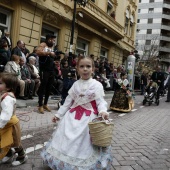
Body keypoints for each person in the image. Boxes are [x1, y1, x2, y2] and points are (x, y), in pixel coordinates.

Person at [41, 56, 113, 170]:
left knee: (84, 145)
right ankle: (64, 162)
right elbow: (67, 103)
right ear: (77, 69)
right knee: (66, 140)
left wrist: (103, 111)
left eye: (88, 66)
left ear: (93, 69)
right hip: (71, 118)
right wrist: (58, 115)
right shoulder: (75, 85)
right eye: (82, 66)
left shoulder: (97, 85)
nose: (85, 69)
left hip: (88, 120)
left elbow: (100, 102)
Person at [0, 72, 28, 166]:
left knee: (15, 142)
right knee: (4, 140)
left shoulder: (7, 98)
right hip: (5, 124)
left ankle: (22, 156)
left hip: (10, 124)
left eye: (0, 83)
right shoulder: (3, 94)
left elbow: (5, 115)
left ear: (8, 87)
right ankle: (8, 153)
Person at [35, 34, 56, 113]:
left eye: (54, 40)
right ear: (49, 39)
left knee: (49, 87)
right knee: (43, 87)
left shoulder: (51, 47)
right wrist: (49, 53)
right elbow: (38, 52)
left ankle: (45, 104)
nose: (53, 42)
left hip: (51, 69)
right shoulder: (43, 45)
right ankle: (40, 105)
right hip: (44, 70)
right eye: (52, 40)